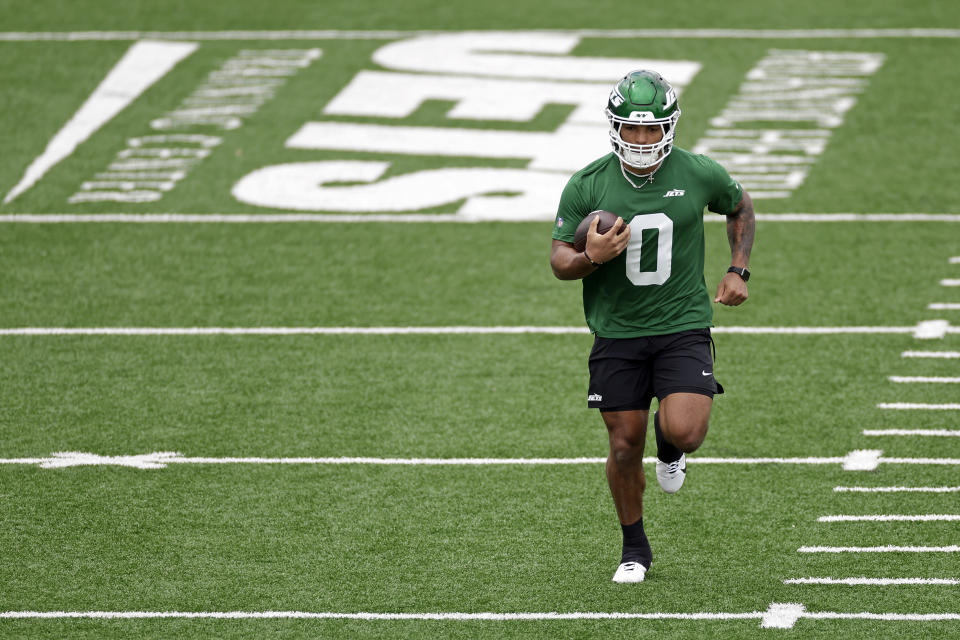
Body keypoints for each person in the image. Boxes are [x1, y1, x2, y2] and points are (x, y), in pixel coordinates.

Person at [550, 70, 755, 583]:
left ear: (670, 126)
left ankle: (671, 450)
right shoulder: (587, 183)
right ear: (615, 127)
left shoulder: (698, 171)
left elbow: (739, 204)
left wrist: (738, 267)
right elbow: (558, 259)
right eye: (633, 129)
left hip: (682, 321)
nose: (642, 139)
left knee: (685, 431)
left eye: (652, 128)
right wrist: (590, 258)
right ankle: (634, 550)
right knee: (624, 445)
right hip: (616, 329)